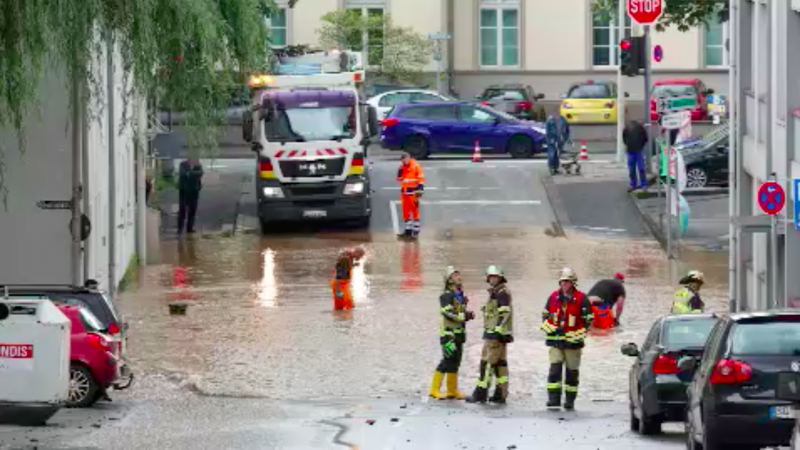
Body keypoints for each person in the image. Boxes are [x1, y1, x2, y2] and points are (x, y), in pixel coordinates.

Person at [540, 267, 593, 410]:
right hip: (556, 342)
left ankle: (569, 401)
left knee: (571, 373)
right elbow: (545, 315)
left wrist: (579, 333)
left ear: (573, 283)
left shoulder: (582, 299)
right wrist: (548, 326)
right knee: (554, 370)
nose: (564, 284)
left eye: (567, 282)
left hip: (573, 344)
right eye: (562, 281)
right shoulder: (552, 297)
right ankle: (553, 399)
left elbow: (589, 319)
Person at [466, 265, 513, 405]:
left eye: (495, 276)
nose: (492, 279)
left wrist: (497, 329)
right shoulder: (498, 291)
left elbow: (505, 313)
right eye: (490, 276)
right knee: (500, 364)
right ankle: (501, 394)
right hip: (497, 334)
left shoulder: (501, 293)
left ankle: (480, 394)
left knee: (486, 364)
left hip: (495, 335)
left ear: (500, 277)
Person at [429, 266, 475, 400]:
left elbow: (458, 312)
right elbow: (448, 312)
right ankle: (434, 389)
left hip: (459, 334)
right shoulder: (446, 295)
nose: (459, 277)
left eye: (458, 274)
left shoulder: (459, 295)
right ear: (449, 280)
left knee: (456, 361)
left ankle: (452, 390)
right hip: (448, 335)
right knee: (447, 360)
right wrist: (463, 316)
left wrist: (467, 313)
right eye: (455, 275)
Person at [396, 152, 425, 238]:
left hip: (413, 193)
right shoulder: (402, 167)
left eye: (403, 159)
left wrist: (420, 189)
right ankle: (408, 231)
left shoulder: (415, 166)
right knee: (406, 212)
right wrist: (400, 172)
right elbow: (400, 179)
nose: (402, 161)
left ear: (408, 158)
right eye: (402, 160)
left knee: (415, 212)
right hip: (405, 193)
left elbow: (421, 178)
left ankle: (416, 231)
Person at [178, 158, 204, 234]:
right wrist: (195, 173)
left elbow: (201, 173)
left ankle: (190, 228)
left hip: (194, 191)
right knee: (182, 211)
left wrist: (190, 173)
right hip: (184, 191)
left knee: (192, 211)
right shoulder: (182, 164)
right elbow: (183, 173)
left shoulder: (198, 164)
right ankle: (180, 229)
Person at [622, 120, 648, 191]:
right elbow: (645, 139)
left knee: (633, 169)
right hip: (637, 151)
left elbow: (624, 139)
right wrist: (641, 145)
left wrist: (628, 144)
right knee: (640, 169)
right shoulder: (640, 128)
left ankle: (634, 184)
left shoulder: (627, 129)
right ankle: (643, 184)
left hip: (632, 151)